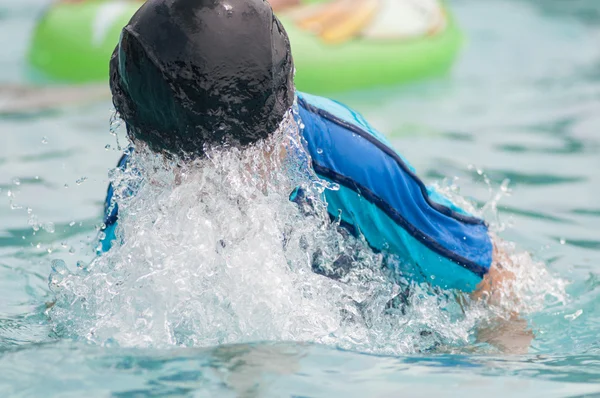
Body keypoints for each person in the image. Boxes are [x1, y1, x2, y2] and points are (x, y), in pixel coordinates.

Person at [100, 0, 514, 303]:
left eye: (236, 161)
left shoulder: (347, 159)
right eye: (183, 165)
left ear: (280, 131)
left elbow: (490, 274)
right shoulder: (137, 181)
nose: (212, 182)